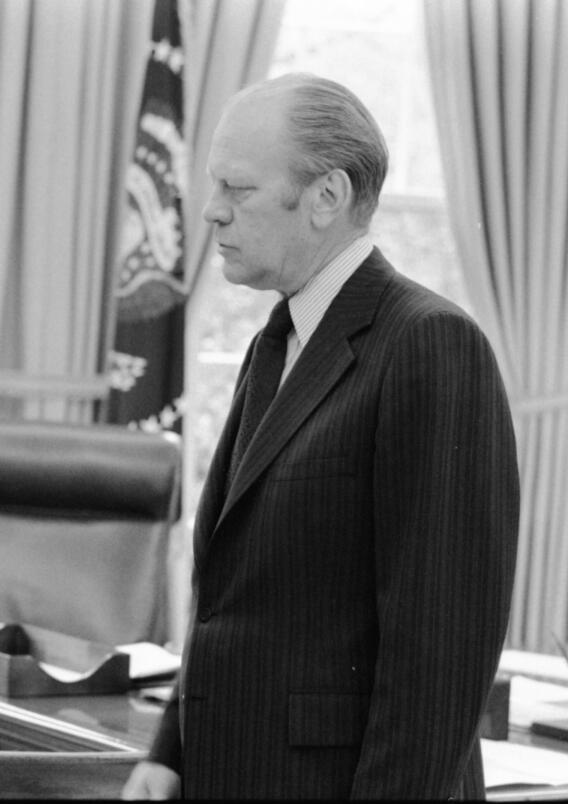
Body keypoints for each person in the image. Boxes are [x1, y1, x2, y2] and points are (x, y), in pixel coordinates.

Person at [123, 73, 519, 799]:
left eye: (237, 190)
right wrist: (170, 751)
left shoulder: (431, 347)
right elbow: (232, 597)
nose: (208, 213)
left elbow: (438, 660)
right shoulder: (274, 343)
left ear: (327, 198)